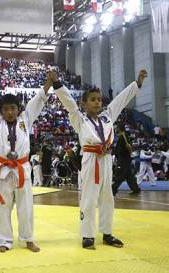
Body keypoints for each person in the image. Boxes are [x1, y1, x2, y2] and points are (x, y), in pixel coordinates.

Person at [51, 69, 147, 250]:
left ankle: (107, 233)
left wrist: (137, 84)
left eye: (99, 99)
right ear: (84, 103)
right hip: (90, 159)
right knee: (89, 198)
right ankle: (87, 235)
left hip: (106, 159)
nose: (97, 102)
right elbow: (69, 103)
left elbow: (121, 100)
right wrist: (57, 84)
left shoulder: (107, 116)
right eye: (93, 99)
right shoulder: (79, 119)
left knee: (107, 197)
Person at [0, 75, 51, 253]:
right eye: (6, 109)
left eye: (13, 109)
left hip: (22, 168)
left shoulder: (26, 119)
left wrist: (48, 83)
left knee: (26, 206)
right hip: (4, 169)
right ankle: (3, 240)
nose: (10, 112)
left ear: (19, 109)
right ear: (1, 111)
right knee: (2, 206)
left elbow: (38, 100)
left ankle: (28, 238)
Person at [111, 124, 141, 195]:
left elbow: (128, 146)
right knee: (129, 175)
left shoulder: (124, 136)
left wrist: (130, 153)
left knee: (120, 174)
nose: (116, 129)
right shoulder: (122, 136)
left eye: (117, 128)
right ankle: (135, 189)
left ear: (119, 128)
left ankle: (113, 189)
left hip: (124, 159)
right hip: (124, 159)